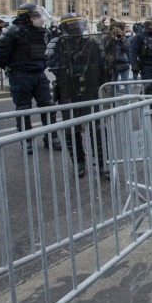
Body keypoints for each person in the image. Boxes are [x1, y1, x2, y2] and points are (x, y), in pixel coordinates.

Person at [46, 12, 111, 180]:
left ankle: (103, 162)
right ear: (66, 27)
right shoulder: (57, 43)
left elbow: (103, 64)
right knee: (72, 128)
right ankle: (78, 163)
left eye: (79, 24)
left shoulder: (92, 43)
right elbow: (53, 64)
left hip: (90, 89)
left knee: (97, 127)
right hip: (70, 91)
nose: (77, 27)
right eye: (73, 25)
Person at [0, 3, 61, 153]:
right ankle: (27, 139)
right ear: (25, 17)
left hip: (39, 75)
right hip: (20, 76)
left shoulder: (42, 31)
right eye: (36, 16)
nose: (39, 19)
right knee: (23, 109)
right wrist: (14, 68)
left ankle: (51, 136)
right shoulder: (12, 32)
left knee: (48, 105)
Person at [129, 16, 152, 110]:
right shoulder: (140, 36)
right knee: (147, 87)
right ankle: (143, 107)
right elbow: (133, 51)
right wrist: (134, 65)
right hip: (146, 65)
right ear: (147, 25)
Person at [111, 27, 131, 95]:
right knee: (113, 84)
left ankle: (129, 98)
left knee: (126, 83)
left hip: (123, 63)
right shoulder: (110, 40)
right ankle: (112, 101)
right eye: (115, 35)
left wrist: (121, 40)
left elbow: (127, 48)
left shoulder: (124, 40)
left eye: (118, 34)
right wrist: (113, 40)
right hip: (113, 64)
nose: (117, 36)